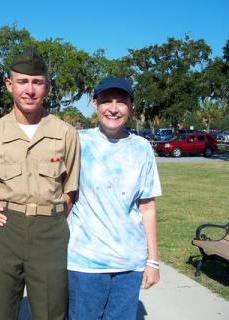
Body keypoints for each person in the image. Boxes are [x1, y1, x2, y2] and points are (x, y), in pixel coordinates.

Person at [0, 47, 80, 320]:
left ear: (47, 85)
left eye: (37, 81)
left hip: (50, 232)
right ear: (9, 85)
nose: (30, 90)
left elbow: (70, 190)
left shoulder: (66, 134)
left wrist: (49, 218)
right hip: (6, 230)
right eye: (22, 81)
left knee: (51, 311)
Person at [67, 77, 161, 320]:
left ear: (131, 107)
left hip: (129, 264)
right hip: (85, 262)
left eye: (122, 102)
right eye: (106, 101)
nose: (113, 108)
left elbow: (147, 207)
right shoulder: (78, 142)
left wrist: (153, 261)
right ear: (95, 104)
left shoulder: (142, 149)